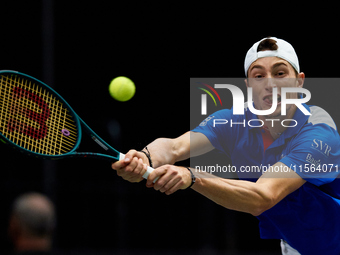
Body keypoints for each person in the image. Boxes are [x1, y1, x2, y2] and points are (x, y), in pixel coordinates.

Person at [111, 37, 340, 254]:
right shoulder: (232, 121)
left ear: (299, 81)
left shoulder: (318, 130)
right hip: (298, 245)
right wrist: (144, 158)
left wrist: (192, 176)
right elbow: (173, 147)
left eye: (280, 73)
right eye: (258, 76)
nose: (269, 83)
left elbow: (263, 196)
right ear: (249, 85)